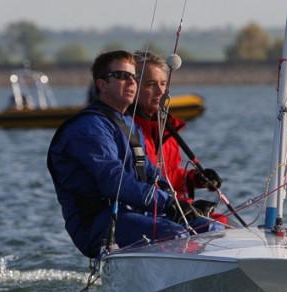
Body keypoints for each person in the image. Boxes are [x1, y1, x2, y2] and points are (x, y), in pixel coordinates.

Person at [47, 50, 218, 258]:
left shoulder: (129, 124)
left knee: (210, 229)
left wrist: (180, 203)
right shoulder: (88, 128)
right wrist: (166, 203)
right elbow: (114, 181)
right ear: (101, 84)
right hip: (100, 223)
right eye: (121, 76)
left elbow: (148, 172)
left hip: (137, 215)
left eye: (134, 77)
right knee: (177, 236)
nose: (130, 82)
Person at [132, 50, 222, 201]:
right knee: (211, 225)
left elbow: (170, 175)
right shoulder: (124, 130)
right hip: (149, 210)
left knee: (220, 221)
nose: (160, 91)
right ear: (131, 87)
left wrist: (195, 179)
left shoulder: (166, 128)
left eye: (163, 84)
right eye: (151, 84)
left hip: (173, 207)